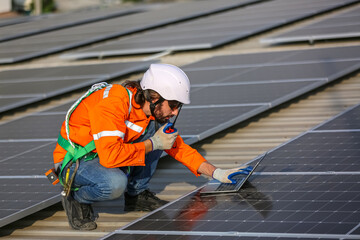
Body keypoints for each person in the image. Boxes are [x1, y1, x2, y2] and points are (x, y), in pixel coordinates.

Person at [52, 63, 252, 230]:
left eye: (178, 107)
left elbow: (177, 147)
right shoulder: (112, 104)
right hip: (76, 161)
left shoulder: (151, 112)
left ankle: (137, 194)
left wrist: (217, 173)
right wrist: (153, 144)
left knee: (157, 134)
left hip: (104, 153)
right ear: (154, 97)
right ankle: (76, 197)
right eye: (173, 105)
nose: (174, 112)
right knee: (114, 184)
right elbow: (110, 158)